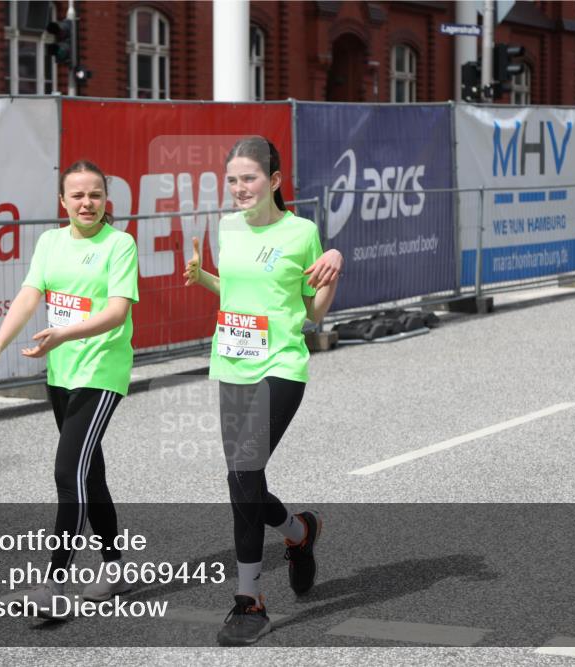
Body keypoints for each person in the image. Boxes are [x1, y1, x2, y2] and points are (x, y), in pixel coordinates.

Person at [183, 136, 342, 646]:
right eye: (231, 180)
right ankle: (298, 531)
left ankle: (249, 599)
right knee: (241, 480)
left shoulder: (302, 232)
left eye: (248, 178)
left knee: (243, 471)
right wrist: (203, 276)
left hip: (281, 365)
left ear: (274, 181)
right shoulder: (229, 227)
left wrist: (332, 266)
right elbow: (236, 293)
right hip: (231, 364)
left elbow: (312, 312)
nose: (238, 188)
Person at [0, 160, 139, 619]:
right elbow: (31, 295)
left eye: (95, 195)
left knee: (68, 476)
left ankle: (55, 586)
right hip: (61, 373)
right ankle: (114, 568)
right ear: (62, 202)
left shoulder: (119, 244)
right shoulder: (50, 241)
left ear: (106, 200)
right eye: (78, 195)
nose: (87, 203)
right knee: (91, 476)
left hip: (101, 374)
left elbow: (116, 313)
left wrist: (65, 334)